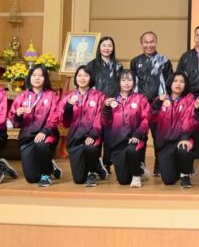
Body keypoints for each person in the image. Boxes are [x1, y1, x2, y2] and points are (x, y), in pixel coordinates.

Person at [9, 64, 63, 186]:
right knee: (32, 178)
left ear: (45, 78)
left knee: (41, 144)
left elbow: (55, 117)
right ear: (29, 77)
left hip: (47, 134)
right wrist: (17, 114)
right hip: (27, 137)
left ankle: (46, 174)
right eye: (34, 75)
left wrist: (44, 131)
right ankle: (50, 166)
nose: (37, 78)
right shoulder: (22, 97)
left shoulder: (52, 96)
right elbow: (15, 122)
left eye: (41, 75)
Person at [102, 69, 150, 188]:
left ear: (134, 82)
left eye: (129, 80)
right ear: (119, 82)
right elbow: (105, 123)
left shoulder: (140, 98)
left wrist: (137, 135)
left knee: (131, 150)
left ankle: (136, 175)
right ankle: (139, 169)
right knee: (123, 181)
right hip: (117, 143)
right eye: (123, 80)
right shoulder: (112, 100)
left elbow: (146, 120)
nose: (126, 83)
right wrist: (106, 108)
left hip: (135, 139)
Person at [150, 71, 197, 188]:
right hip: (165, 144)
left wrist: (185, 137)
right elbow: (151, 118)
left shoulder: (189, 99)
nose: (178, 84)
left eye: (182, 82)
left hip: (182, 139)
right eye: (175, 81)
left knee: (184, 149)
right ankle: (179, 169)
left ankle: (185, 174)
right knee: (168, 180)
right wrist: (157, 104)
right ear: (170, 83)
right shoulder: (161, 99)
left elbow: (188, 119)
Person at [62, 66, 107, 186]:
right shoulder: (68, 97)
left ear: (91, 78)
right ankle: (98, 166)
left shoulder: (99, 96)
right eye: (80, 75)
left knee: (90, 148)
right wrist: (68, 107)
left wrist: (93, 134)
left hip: (93, 136)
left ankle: (93, 172)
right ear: (76, 78)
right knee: (79, 180)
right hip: (75, 138)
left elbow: (100, 118)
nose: (82, 78)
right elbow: (65, 123)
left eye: (86, 75)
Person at [84, 35, 120, 171]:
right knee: (95, 133)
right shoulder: (91, 65)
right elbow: (87, 85)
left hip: (112, 106)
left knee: (110, 137)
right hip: (95, 106)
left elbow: (121, 87)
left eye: (110, 45)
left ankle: (107, 164)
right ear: (99, 47)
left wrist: (114, 101)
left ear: (113, 48)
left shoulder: (118, 66)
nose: (107, 48)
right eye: (104, 45)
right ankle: (95, 164)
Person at [130, 31, 172, 103]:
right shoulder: (135, 61)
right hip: (140, 102)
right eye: (146, 42)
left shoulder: (164, 60)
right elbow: (132, 83)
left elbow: (170, 82)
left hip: (160, 101)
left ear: (156, 43)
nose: (149, 45)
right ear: (142, 44)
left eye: (152, 42)